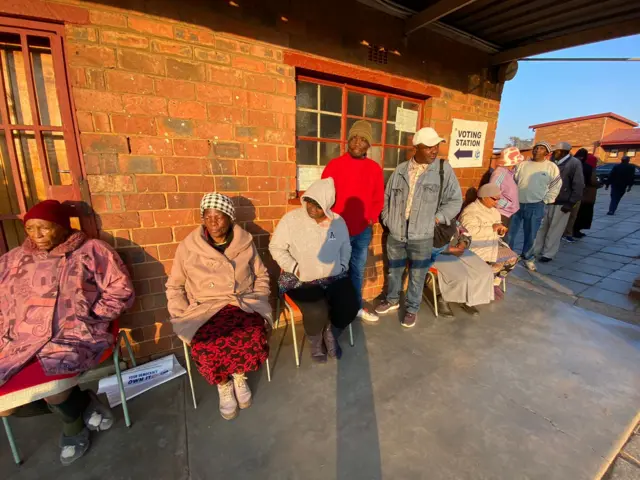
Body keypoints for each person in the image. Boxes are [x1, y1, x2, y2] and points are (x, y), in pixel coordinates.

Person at [0, 200, 134, 465]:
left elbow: (121, 290)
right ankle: (83, 404)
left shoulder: (92, 250)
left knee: (53, 387)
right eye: (30, 228)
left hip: (74, 335)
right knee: (6, 407)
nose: (36, 235)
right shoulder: (13, 259)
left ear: (62, 227)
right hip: (19, 341)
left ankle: (73, 430)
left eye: (44, 228)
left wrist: (91, 316)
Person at [166, 193, 272, 421]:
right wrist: (182, 317)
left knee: (251, 332)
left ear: (230, 218)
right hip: (205, 308)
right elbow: (174, 286)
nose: (213, 222)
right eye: (208, 216)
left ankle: (239, 375)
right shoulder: (188, 247)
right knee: (205, 345)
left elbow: (261, 274)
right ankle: (223, 385)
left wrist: (260, 300)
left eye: (219, 216)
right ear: (202, 218)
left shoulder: (245, 242)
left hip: (240, 302)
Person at [375, 127, 462, 328]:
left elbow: (455, 201)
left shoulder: (443, 169)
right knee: (394, 270)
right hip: (397, 231)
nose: (434, 151)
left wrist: (436, 219)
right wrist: (388, 219)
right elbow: (386, 197)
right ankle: (393, 300)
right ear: (417, 147)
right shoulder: (401, 169)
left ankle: (412, 308)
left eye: (436, 146)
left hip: (422, 234)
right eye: (429, 147)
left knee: (417, 273)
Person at [269, 178, 358, 363]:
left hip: (333, 275)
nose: (311, 208)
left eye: (317, 205)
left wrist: (343, 265)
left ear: (327, 205)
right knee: (317, 310)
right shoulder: (291, 220)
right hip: (300, 278)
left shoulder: (338, 222)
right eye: (309, 201)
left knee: (350, 305)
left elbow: (345, 246)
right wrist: (295, 268)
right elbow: (276, 248)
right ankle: (316, 342)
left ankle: (331, 333)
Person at [321, 120, 384, 324]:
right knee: (335, 270)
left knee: (356, 270)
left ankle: (355, 305)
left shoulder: (374, 169)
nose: (358, 142)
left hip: (362, 230)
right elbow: (322, 196)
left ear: (369, 145)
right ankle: (334, 307)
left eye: (363, 139)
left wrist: (370, 219)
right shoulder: (334, 166)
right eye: (354, 138)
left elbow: (378, 199)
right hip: (337, 229)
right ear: (348, 140)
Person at [459, 183, 518, 311]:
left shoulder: (494, 211)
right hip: (476, 247)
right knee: (493, 261)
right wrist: (491, 229)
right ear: (484, 197)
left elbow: (497, 227)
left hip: (492, 244)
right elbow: (469, 234)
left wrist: (500, 230)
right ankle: (485, 284)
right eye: (494, 199)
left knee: (512, 258)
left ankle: (494, 283)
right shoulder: (470, 211)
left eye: (498, 199)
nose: (497, 202)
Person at [507, 141, 561, 271]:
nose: (537, 150)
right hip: (516, 204)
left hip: (536, 205)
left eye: (542, 149)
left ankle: (528, 258)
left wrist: (546, 200)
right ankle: (507, 257)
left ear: (547, 153)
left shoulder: (551, 167)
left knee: (531, 234)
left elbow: (556, 185)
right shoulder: (522, 165)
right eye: (536, 148)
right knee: (510, 233)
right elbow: (511, 181)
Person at [429, 222, 496, 318]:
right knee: (462, 276)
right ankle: (443, 298)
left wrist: (463, 243)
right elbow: (422, 242)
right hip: (436, 252)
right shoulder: (427, 217)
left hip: (456, 248)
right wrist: (449, 249)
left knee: (485, 272)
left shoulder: (450, 215)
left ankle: (469, 298)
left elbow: (464, 232)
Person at [533, 142, 584, 263]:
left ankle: (548, 253)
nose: (553, 154)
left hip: (562, 202)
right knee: (541, 228)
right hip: (547, 200)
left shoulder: (574, 163)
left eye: (555, 152)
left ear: (562, 152)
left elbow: (579, 185)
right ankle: (535, 250)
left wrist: (571, 203)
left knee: (555, 230)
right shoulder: (551, 162)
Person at [489, 146, 524, 227]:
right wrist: (507, 205)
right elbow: (492, 195)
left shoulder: (508, 173)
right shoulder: (500, 174)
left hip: (507, 213)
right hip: (501, 214)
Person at [562, 148, 588, 243]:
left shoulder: (567, 164)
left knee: (563, 216)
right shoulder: (584, 166)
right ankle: (568, 233)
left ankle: (562, 233)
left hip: (564, 194)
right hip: (575, 195)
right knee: (572, 216)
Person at [573, 153, 600, 238]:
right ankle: (576, 230)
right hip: (588, 195)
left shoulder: (577, 167)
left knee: (576, 213)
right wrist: (598, 183)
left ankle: (573, 230)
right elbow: (593, 181)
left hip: (578, 194)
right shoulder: (590, 169)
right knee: (583, 214)